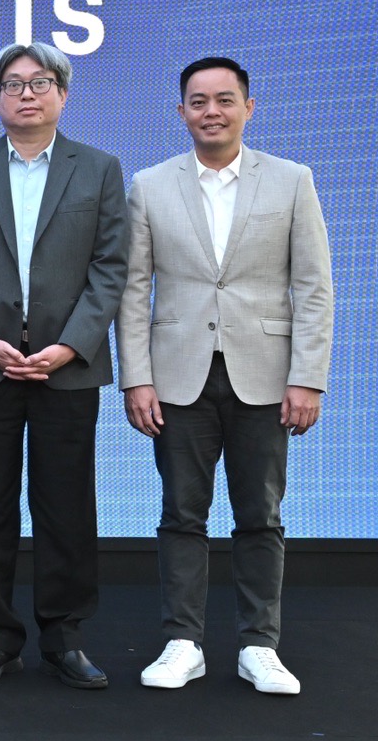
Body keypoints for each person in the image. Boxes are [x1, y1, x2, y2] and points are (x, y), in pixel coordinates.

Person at [119, 57, 333, 696]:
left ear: (248, 106)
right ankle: (182, 643)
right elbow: (133, 290)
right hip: (177, 375)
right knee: (181, 513)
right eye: (198, 101)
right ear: (181, 111)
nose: (211, 111)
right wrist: (136, 378)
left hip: (265, 376)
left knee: (260, 514)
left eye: (224, 99)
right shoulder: (150, 185)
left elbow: (313, 287)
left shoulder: (292, 180)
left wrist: (308, 377)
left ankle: (259, 646)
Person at [0, 42, 128, 689]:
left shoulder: (98, 169)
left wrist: (71, 344)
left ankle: (64, 637)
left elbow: (110, 268)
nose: (27, 93)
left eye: (41, 82)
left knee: (66, 506)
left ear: (62, 95)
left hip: (65, 368)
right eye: (13, 85)